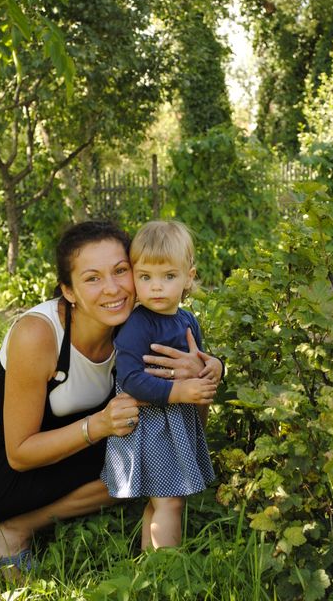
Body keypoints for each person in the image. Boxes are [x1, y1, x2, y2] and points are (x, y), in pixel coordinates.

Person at [0, 219, 223, 581]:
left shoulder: (138, 324)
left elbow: (186, 416)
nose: (112, 288)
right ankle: (13, 529)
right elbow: (19, 454)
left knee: (149, 457)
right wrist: (99, 425)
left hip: (67, 441)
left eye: (120, 271)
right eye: (92, 278)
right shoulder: (39, 334)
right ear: (69, 291)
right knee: (137, 459)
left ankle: (21, 526)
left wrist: (206, 370)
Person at [101, 220, 221, 549]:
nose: (156, 287)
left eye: (168, 276)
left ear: (188, 278)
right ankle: (167, 567)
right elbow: (129, 379)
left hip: (175, 424)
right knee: (170, 501)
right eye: (145, 277)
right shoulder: (138, 324)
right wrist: (178, 391)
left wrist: (215, 365)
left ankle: (150, 561)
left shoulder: (186, 320)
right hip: (150, 426)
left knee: (162, 501)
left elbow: (197, 359)